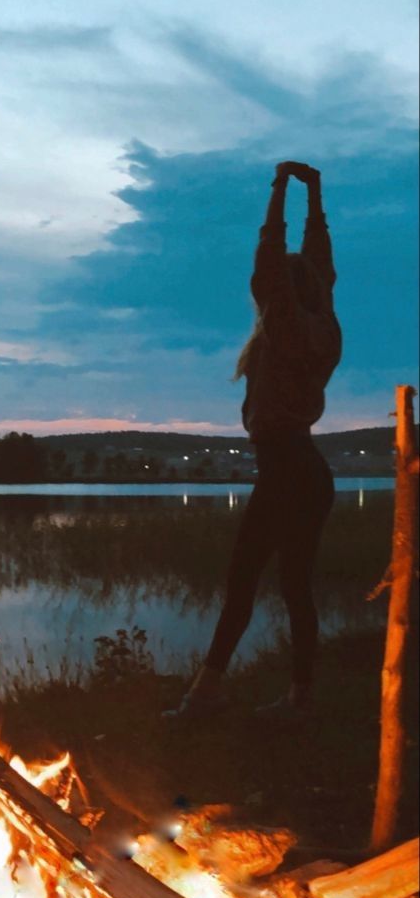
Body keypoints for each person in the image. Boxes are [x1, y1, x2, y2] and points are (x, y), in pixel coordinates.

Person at [165, 161, 342, 721]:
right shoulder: (325, 323)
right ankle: (301, 696)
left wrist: (278, 192)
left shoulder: (288, 326)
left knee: (244, 580)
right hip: (307, 471)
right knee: (294, 586)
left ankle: (207, 694)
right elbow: (320, 263)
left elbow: (275, 256)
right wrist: (313, 194)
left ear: (280, 294)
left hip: (288, 468)